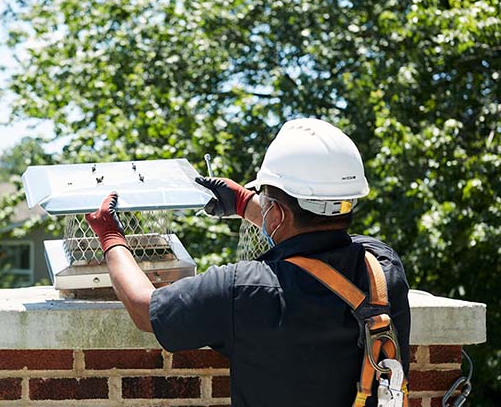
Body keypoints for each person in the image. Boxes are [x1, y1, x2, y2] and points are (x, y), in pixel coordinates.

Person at [85, 118, 410, 407]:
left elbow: (144, 308)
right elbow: (314, 228)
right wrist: (244, 202)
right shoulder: (381, 267)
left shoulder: (245, 289)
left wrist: (110, 236)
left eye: (266, 199)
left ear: (279, 214)